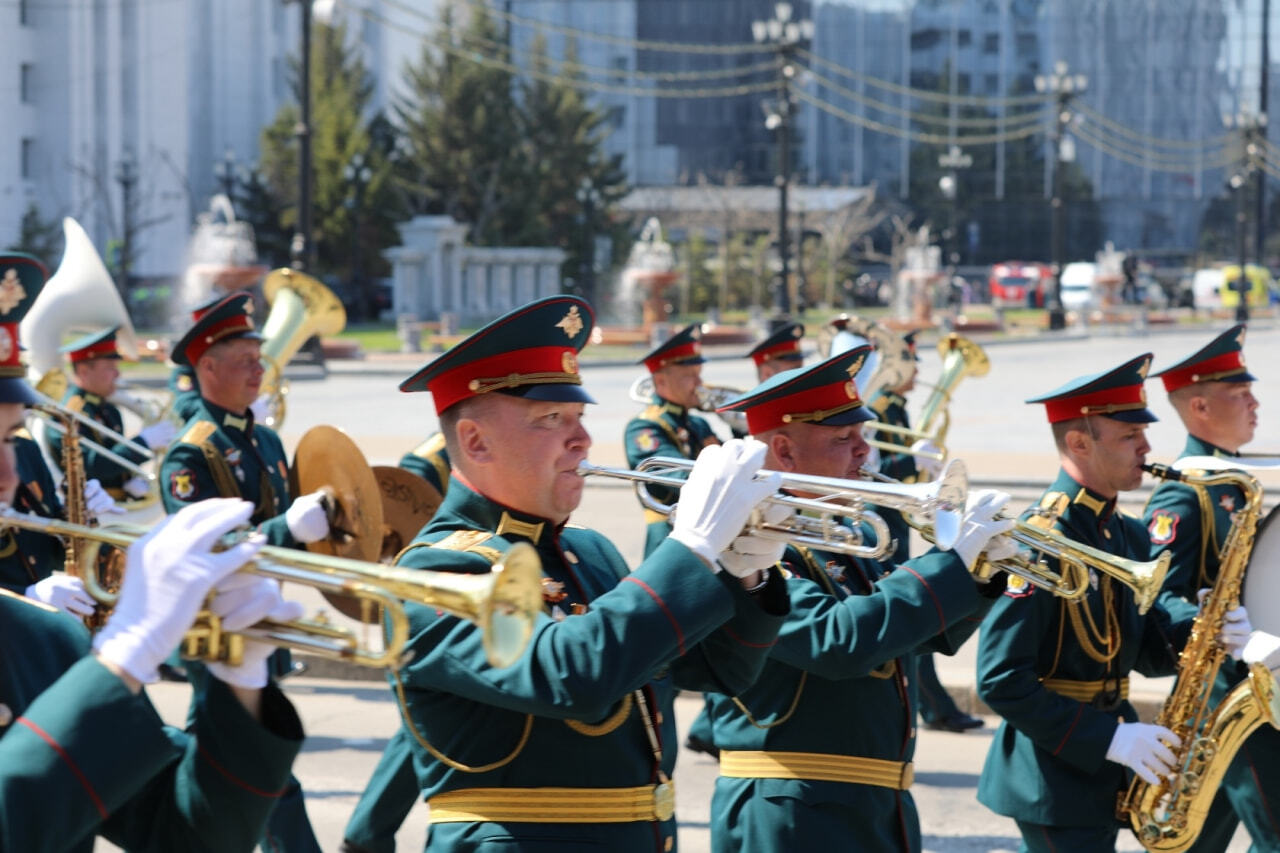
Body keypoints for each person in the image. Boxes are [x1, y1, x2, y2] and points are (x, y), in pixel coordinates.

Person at [386, 295, 789, 852]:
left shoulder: (590, 552)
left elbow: (717, 672)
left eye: (578, 417)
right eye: (550, 419)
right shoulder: (436, 568)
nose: (582, 440)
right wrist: (692, 548)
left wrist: (748, 573)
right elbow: (571, 675)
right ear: (476, 441)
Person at [700, 344, 1017, 852]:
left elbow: (915, 635)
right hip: (790, 809)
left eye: (863, 435)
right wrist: (949, 566)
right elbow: (840, 641)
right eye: (844, 438)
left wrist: (979, 574)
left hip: (871, 806)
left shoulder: (843, 536)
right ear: (784, 452)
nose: (864, 451)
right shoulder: (747, 544)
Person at [976, 354, 1252, 852]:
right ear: (1079, 443)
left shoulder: (1123, 532)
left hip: (1104, 763)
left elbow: (1144, 650)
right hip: (1052, 771)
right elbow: (1000, 680)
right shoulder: (1039, 540)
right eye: (1129, 436)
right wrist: (1107, 738)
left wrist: (1202, 630)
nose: (1147, 448)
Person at [159, 290, 329, 853]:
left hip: (258, 623)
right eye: (246, 361)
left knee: (220, 755)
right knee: (263, 769)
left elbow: (292, 515)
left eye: (260, 358)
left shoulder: (265, 438)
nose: (261, 370)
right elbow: (211, 548)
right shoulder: (191, 456)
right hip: (217, 628)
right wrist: (287, 531)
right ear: (207, 367)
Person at [1144, 324, 1279, 852]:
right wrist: (1209, 621)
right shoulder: (1185, 491)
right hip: (1226, 694)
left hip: (1250, 687)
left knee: (1195, 840)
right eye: (1239, 395)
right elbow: (1158, 594)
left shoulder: (1234, 480)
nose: (1255, 404)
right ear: (1199, 408)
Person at [867, 331, 982, 733]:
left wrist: (923, 468)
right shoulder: (878, 407)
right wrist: (916, 468)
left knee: (913, 614)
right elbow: (876, 471)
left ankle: (933, 706)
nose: (917, 370)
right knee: (911, 614)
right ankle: (934, 707)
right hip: (880, 525)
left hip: (895, 522)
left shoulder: (894, 407)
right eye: (910, 361)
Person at [0, 255, 120, 616]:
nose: (8, 476)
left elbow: (47, 547)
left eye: (6, 436)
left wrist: (77, 517)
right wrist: (25, 596)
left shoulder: (23, 448)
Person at [624, 323, 721, 557]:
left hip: (710, 536)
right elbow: (680, 479)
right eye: (690, 376)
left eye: (699, 375)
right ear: (661, 382)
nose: (699, 384)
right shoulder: (644, 428)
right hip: (669, 540)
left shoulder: (698, 424)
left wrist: (739, 424)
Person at [47, 325, 176, 500]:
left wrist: (128, 480)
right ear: (84, 371)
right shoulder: (69, 413)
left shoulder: (108, 409)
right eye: (109, 367)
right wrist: (142, 443)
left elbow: (112, 458)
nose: (117, 374)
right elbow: (87, 466)